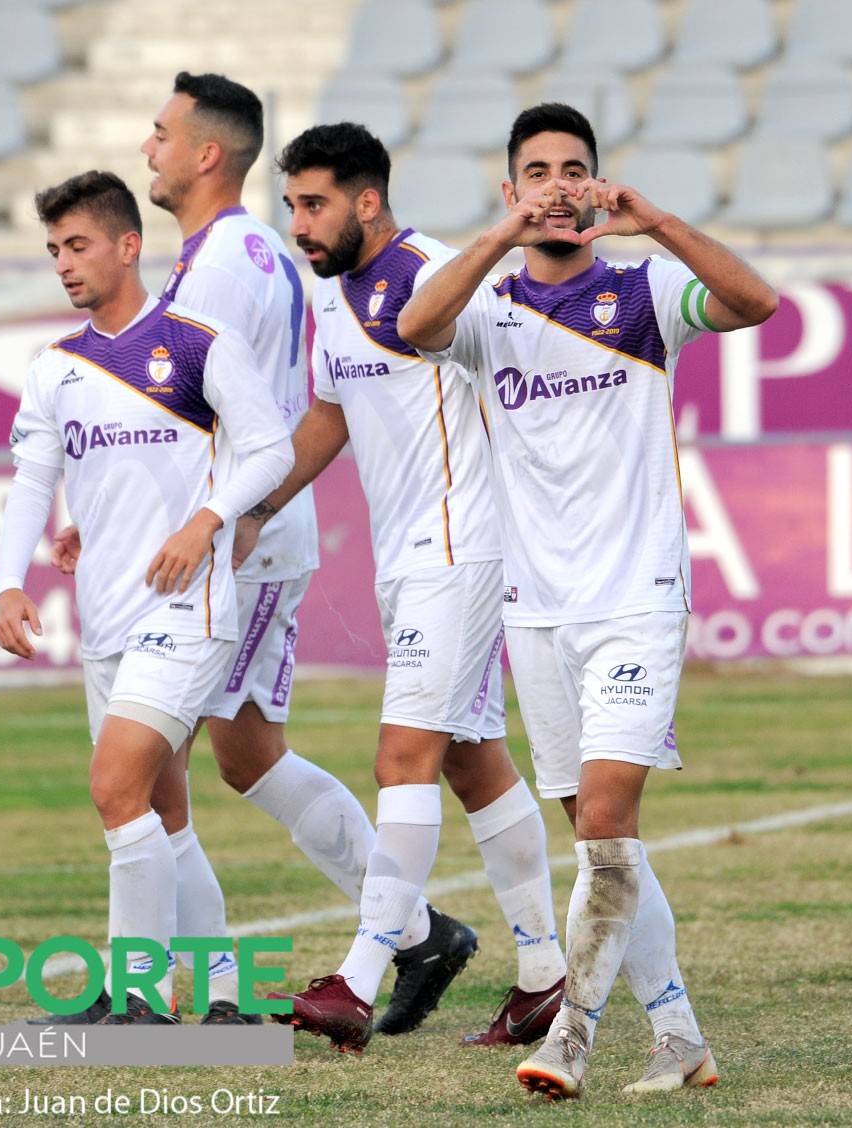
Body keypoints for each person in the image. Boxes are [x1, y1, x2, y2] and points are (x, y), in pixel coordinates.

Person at [52, 73, 479, 1031]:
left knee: (150, 777)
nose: (147, 147)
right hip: (237, 537)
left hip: (237, 546)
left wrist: (201, 521)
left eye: (160, 133)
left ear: (207, 152)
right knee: (238, 761)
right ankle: (400, 936)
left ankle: (165, 996)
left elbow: (224, 417)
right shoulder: (231, 256)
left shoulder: (220, 270)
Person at [397, 103, 778, 1099]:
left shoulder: (645, 292)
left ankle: (569, 1037)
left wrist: (657, 223)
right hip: (536, 610)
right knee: (603, 844)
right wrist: (496, 241)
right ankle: (681, 1039)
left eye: (575, 170)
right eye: (537, 172)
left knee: (608, 818)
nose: (558, 185)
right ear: (513, 188)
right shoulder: (488, 312)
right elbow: (412, 325)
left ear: (598, 184)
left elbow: (756, 303)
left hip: (635, 599)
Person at [244, 122, 565, 1054]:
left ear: (368, 200)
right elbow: (329, 415)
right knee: (471, 761)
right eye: (293, 204)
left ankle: (357, 976)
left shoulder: (441, 276)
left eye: (315, 204)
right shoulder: (329, 294)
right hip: (409, 557)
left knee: (402, 757)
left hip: (462, 549)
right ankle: (545, 977)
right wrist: (258, 505)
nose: (299, 223)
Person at [0, 169, 294, 1024]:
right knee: (160, 809)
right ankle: (227, 999)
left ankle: (138, 994)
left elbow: (270, 449)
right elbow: (32, 480)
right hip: (107, 617)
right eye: (53, 249)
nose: (64, 263)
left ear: (129, 245)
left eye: (78, 245)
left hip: (188, 611)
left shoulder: (199, 341)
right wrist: (7, 581)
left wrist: (209, 519)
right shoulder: (54, 368)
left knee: (113, 788)